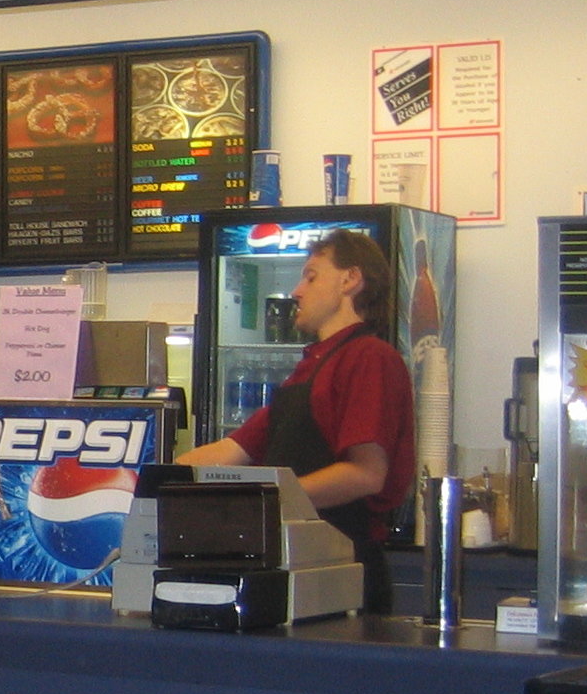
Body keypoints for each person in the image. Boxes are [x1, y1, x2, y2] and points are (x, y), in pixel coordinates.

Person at [177, 229, 415, 613]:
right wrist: (159, 478)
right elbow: (232, 450)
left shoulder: (370, 358)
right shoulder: (309, 369)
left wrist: (264, 503)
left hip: (341, 568)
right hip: (294, 559)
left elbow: (365, 474)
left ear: (350, 279)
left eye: (311, 277)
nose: (297, 291)